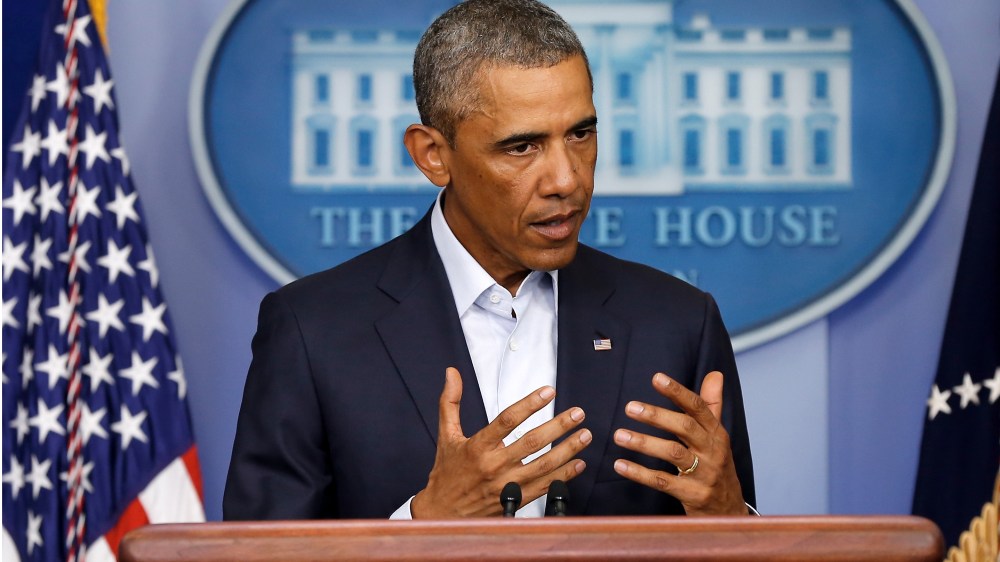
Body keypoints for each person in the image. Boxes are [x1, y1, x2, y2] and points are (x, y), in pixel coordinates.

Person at [223, 0, 755, 520]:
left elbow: (737, 538)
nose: (567, 180)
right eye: (522, 147)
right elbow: (256, 554)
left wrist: (729, 515)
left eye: (580, 134)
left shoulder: (678, 322)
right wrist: (424, 522)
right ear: (433, 155)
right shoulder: (313, 330)